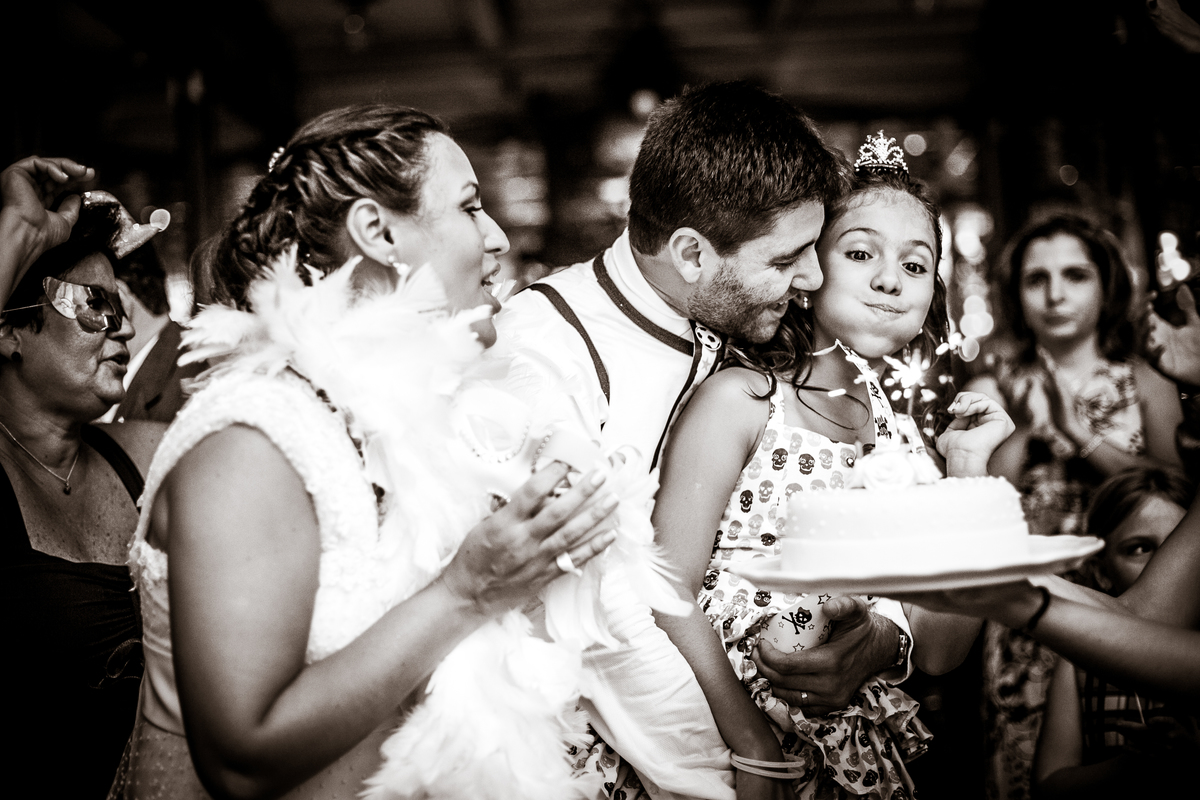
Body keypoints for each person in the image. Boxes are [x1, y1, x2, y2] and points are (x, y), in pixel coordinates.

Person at [112, 105, 621, 800]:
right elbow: (241, 759)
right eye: (471, 207)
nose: (498, 237)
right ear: (378, 232)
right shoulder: (253, 440)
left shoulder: (392, 424)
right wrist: (468, 590)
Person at [495, 82, 919, 797]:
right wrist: (742, 756)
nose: (811, 278)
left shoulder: (740, 318)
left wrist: (882, 633)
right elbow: (605, 612)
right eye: (785, 260)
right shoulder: (546, 355)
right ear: (690, 253)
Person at [650, 131, 1015, 800]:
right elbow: (660, 588)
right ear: (809, 267)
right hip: (719, 741)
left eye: (915, 265)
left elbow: (940, 650)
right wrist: (752, 745)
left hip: (845, 762)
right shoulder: (745, 400)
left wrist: (967, 474)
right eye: (860, 253)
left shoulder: (904, 441)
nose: (889, 279)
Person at [963, 214, 1184, 800]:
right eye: (1037, 279)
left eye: (1074, 275)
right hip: (1024, 603)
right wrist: (1023, 430)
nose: (1055, 294)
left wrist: (1079, 436)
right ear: (1015, 293)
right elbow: (978, 499)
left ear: (1106, 285)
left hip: (1140, 597)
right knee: (1027, 766)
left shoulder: (1145, 375)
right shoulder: (998, 382)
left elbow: (1178, 488)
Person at [0, 171, 166, 797]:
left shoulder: (150, 455)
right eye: (96, 305)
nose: (122, 329)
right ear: (8, 329)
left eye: (120, 307)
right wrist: (18, 234)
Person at [1033, 467, 1192, 799]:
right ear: (1101, 572)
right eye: (1139, 548)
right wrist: (1133, 766)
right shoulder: (1081, 662)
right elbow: (1048, 786)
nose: (1165, 566)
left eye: (1180, 552)